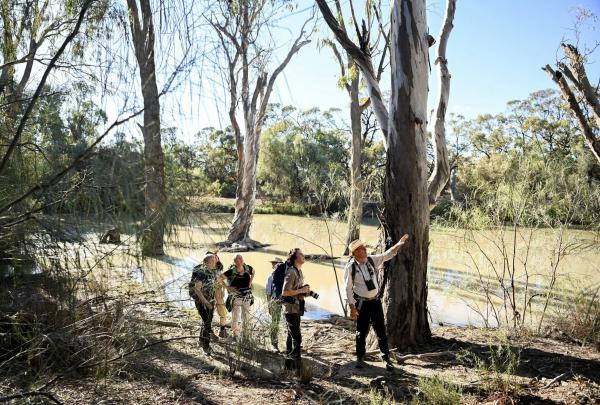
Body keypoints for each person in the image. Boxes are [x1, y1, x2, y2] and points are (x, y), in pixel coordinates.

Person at [344, 234, 409, 371]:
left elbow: (387, 255)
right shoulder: (350, 268)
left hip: (375, 302)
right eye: (361, 249)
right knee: (361, 333)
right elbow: (348, 289)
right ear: (355, 253)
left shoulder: (372, 260)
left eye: (364, 248)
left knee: (381, 331)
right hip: (361, 303)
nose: (364, 250)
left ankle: (386, 359)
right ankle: (360, 358)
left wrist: (398, 244)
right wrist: (352, 307)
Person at [281, 248, 310, 370]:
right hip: (290, 309)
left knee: (291, 335)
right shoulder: (291, 272)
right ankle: (297, 365)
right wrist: (301, 290)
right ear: (295, 258)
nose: (303, 255)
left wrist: (304, 292)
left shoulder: (300, 272)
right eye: (301, 254)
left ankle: (289, 365)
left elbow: (295, 290)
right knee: (297, 337)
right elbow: (285, 292)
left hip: (297, 308)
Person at [189, 252, 221, 355]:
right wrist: (206, 303)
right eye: (212, 261)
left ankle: (201, 340)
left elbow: (215, 287)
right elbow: (197, 290)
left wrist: (215, 300)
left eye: (215, 260)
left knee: (207, 321)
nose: (214, 262)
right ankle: (206, 347)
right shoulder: (201, 272)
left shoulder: (212, 271)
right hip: (201, 301)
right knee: (207, 322)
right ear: (206, 262)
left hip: (210, 300)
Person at [220, 254, 254, 338]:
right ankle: (234, 334)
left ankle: (245, 334)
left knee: (246, 316)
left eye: (241, 259)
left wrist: (250, 282)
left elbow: (253, 272)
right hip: (236, 297)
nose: (239, 261)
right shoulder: (232, 271)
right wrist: (227, 287)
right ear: (234, 262)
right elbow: (219, 278)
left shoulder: (247, 268)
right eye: (237, 260)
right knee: (235, 316)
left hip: (247, 296)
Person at [265, 256, 284, 352]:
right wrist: (269, 305)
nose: (274, 265)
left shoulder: (287, 275)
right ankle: (274, 344)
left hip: (286, 300)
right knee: (275, 322)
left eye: (276, 263)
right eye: (273, 263)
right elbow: (268, 293)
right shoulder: (270, 277)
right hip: (275, 300)